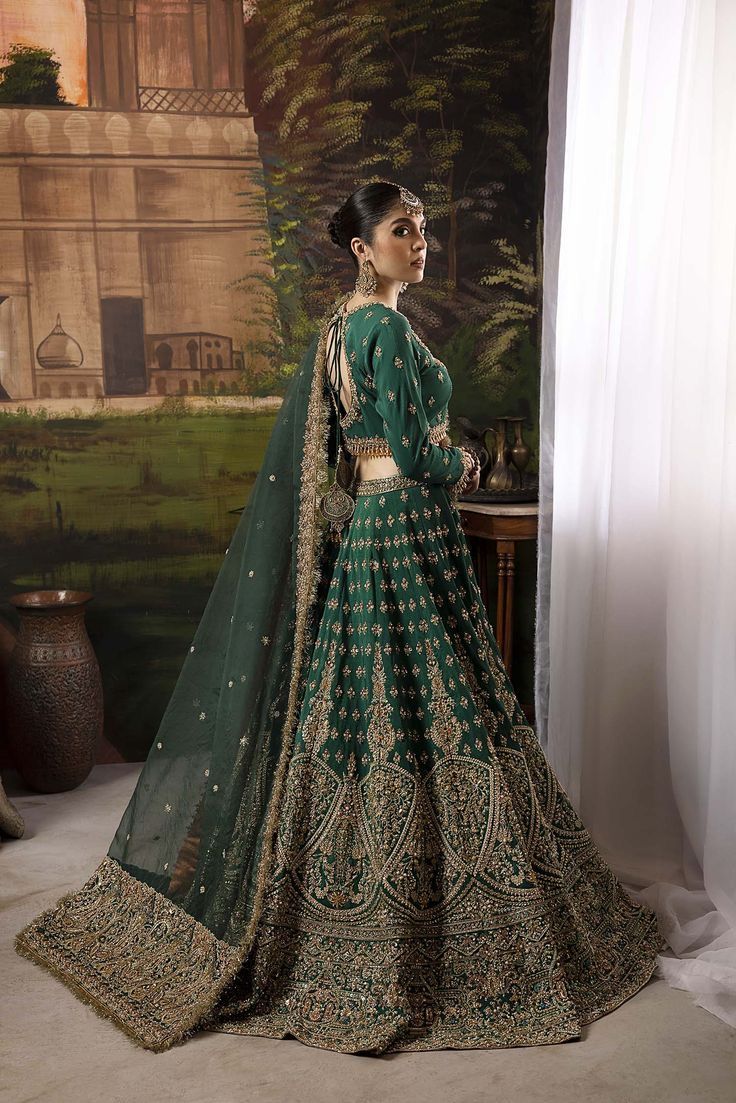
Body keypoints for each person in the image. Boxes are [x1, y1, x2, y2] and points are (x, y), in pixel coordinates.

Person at [16, 181, 663, 1055]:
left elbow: (353, 449)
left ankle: (343, 907)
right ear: (362, 247)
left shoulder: (338, 327)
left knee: (372, 713)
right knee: (442, 709)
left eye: (423, 229)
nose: (419, 243)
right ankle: (442, 914)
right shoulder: (382, 329)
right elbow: (413, 449)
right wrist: (465, 464)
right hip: (408, 528)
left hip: (370, 533)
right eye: (402, 231)